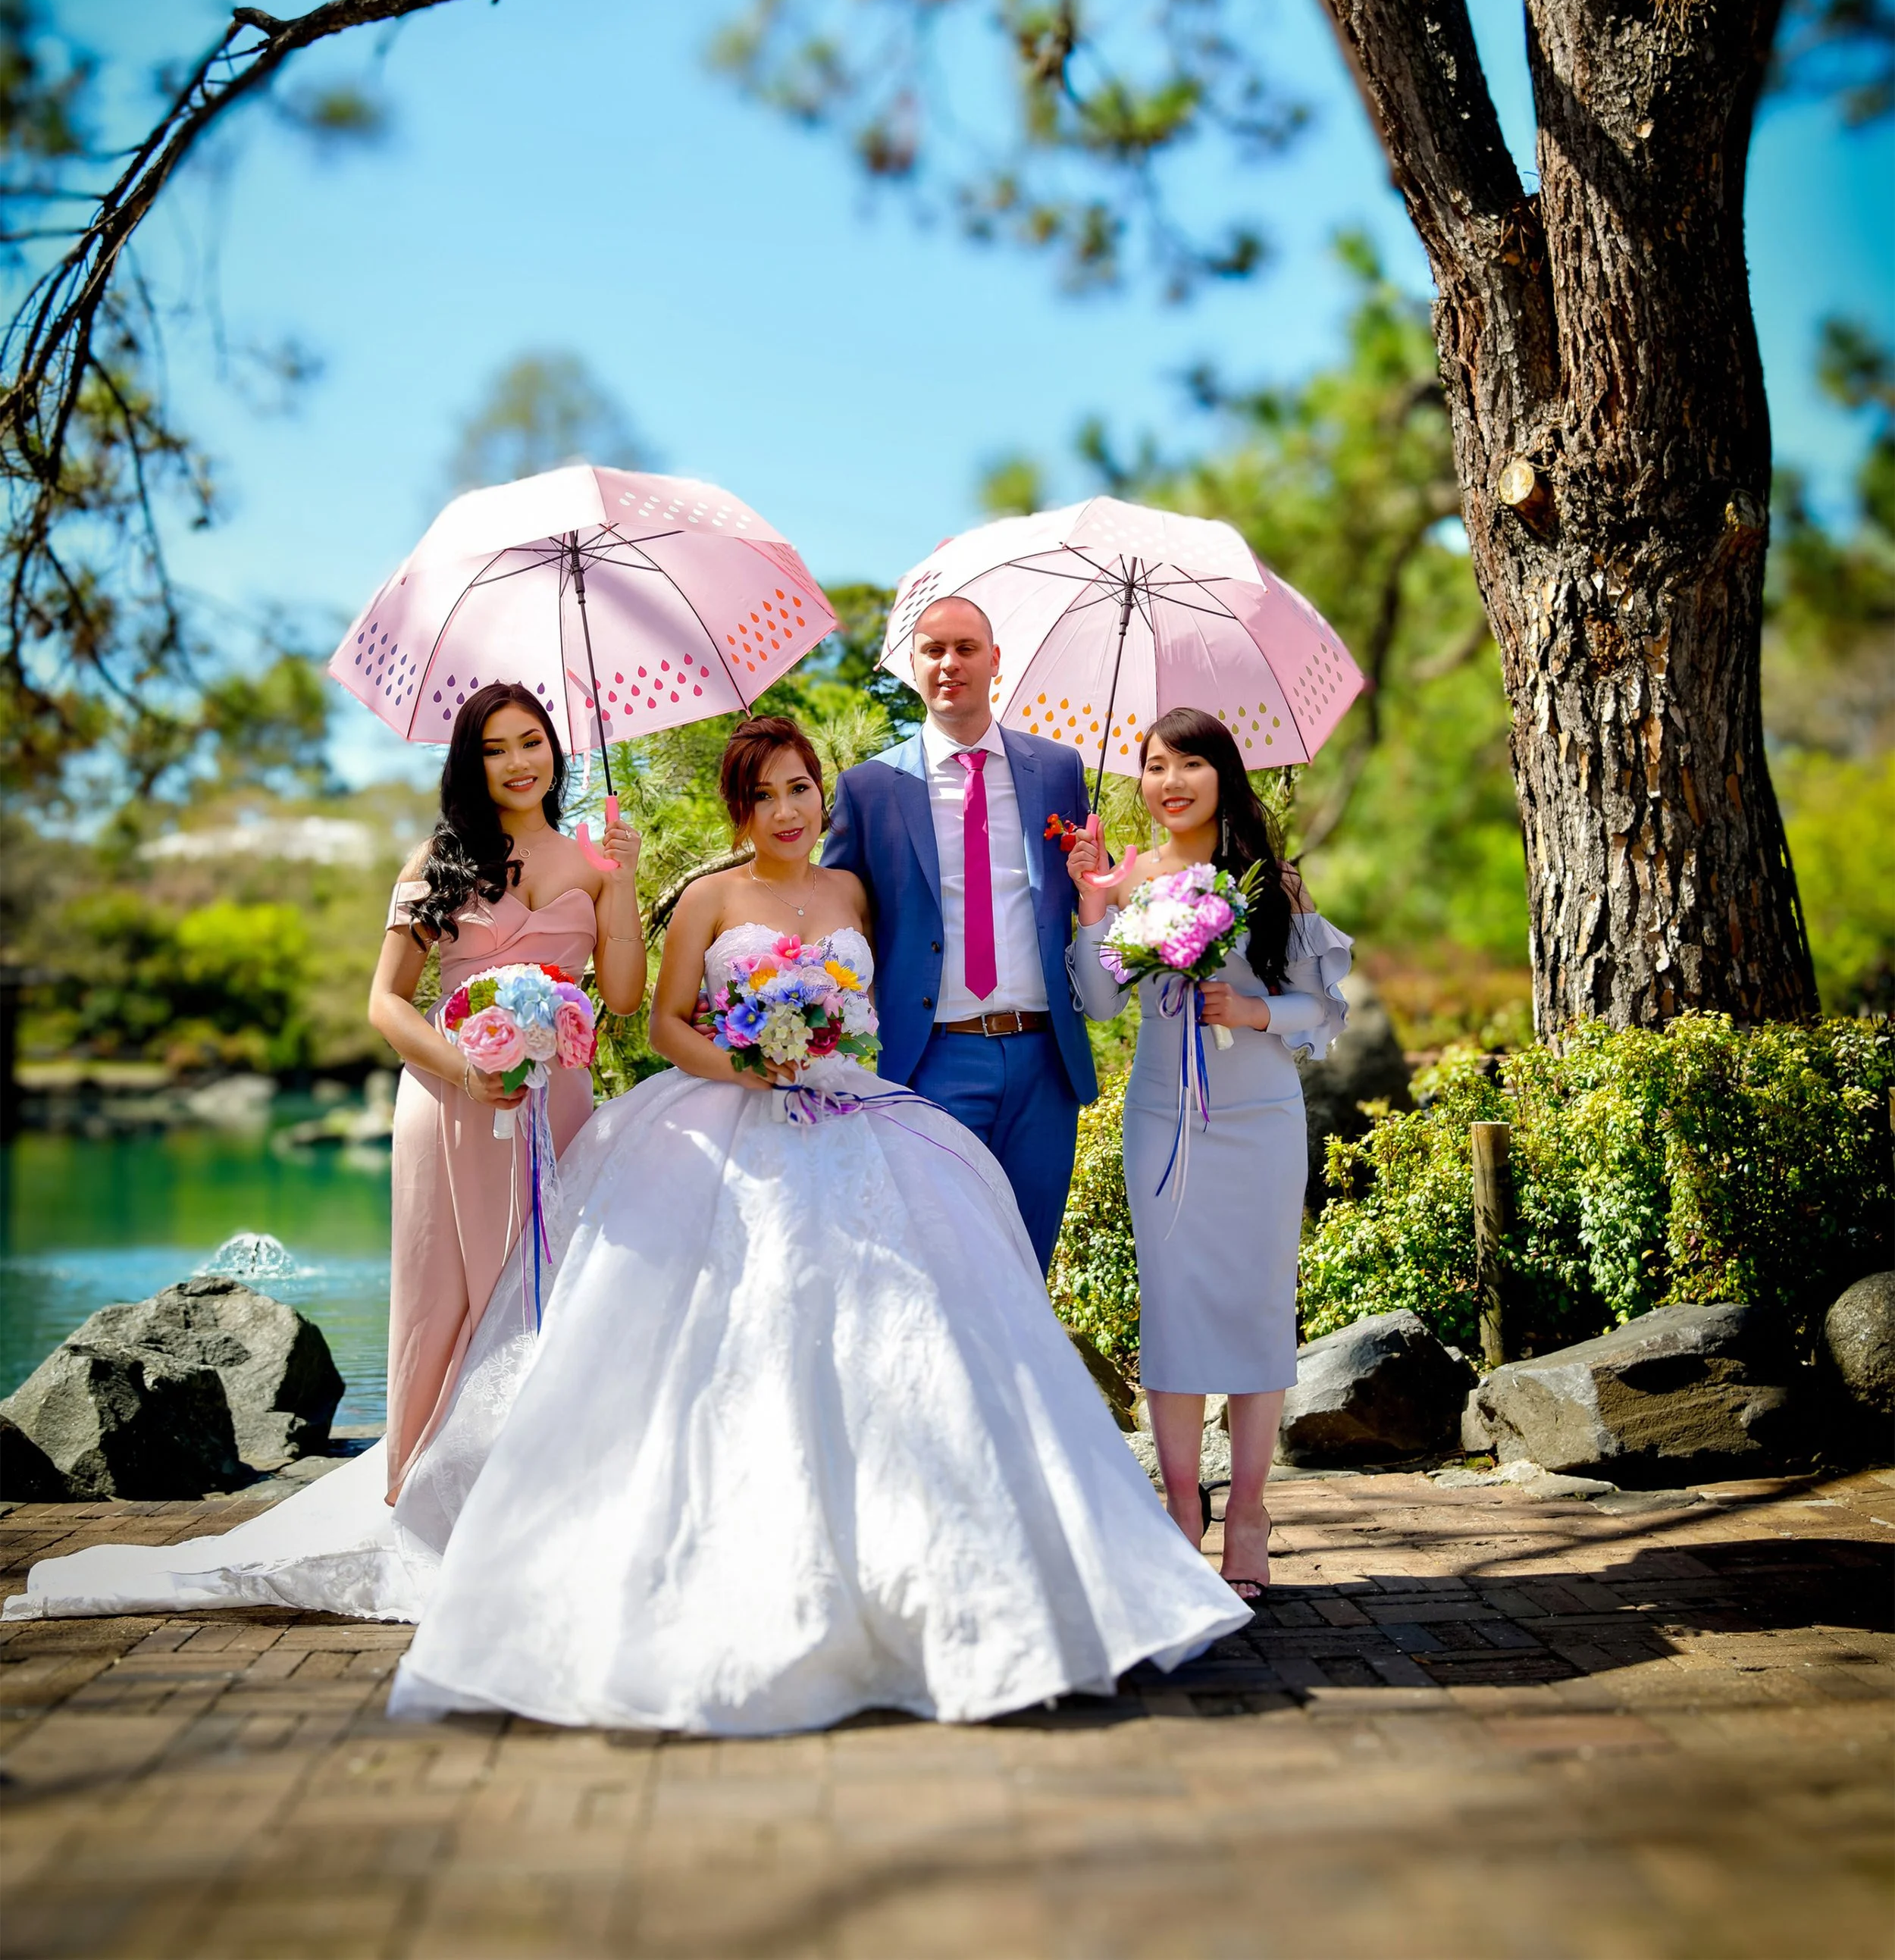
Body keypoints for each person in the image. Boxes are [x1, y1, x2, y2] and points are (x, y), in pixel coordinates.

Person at [7, 715, 1249, 1737]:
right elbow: (653, 1020)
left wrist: (835, 1042)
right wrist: (748, 1057)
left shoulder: (855, 886)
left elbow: (891, 992)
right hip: (721, 1114)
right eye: (765, 791)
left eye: (803, 786)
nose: (789, 806)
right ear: (736, 808)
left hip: (848, 1112)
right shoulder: (704, 896)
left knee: (907, 1317)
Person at [1066, 709, 1352, 1598]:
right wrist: (1092, 907)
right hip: (1162, 1118)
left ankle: (1253, 1510)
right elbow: (1099, 1004)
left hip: (1259, 1117)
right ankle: (1180, 1505)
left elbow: (1321, 1008)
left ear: (1223, 774)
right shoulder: (1132, 878)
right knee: (1174, 1301)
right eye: (1156, 765)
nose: (1173, 780)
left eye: (1192, 762)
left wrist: (1256, 1010)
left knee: (1258, 1302)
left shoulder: (1272, 883)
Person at [368, 683, 645, 1498]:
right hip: (449, 1102)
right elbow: (384, 1000)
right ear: (470, 763)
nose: (517, 761)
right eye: (494, 748)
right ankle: (426, 1488)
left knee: (547, 1287)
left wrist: (622, 879)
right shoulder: (434, 864)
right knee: (442, 1294)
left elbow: (624, 997)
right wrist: (463, 1068)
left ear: (555, 751)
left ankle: (537, 1495)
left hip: (555, 1104)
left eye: (530, 741)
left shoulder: (596, 859)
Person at [822, 595, 1094, 1270]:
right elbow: (835, 916)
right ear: (910, 666)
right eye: (933, 650)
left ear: (995, 659)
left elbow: (1089, 894)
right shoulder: (871, 786)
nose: (950, 663)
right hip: (930, 1058)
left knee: (1029, 1265)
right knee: (941, 1264)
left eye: (966, 648)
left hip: (1044, 1058)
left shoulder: (1058, 770)